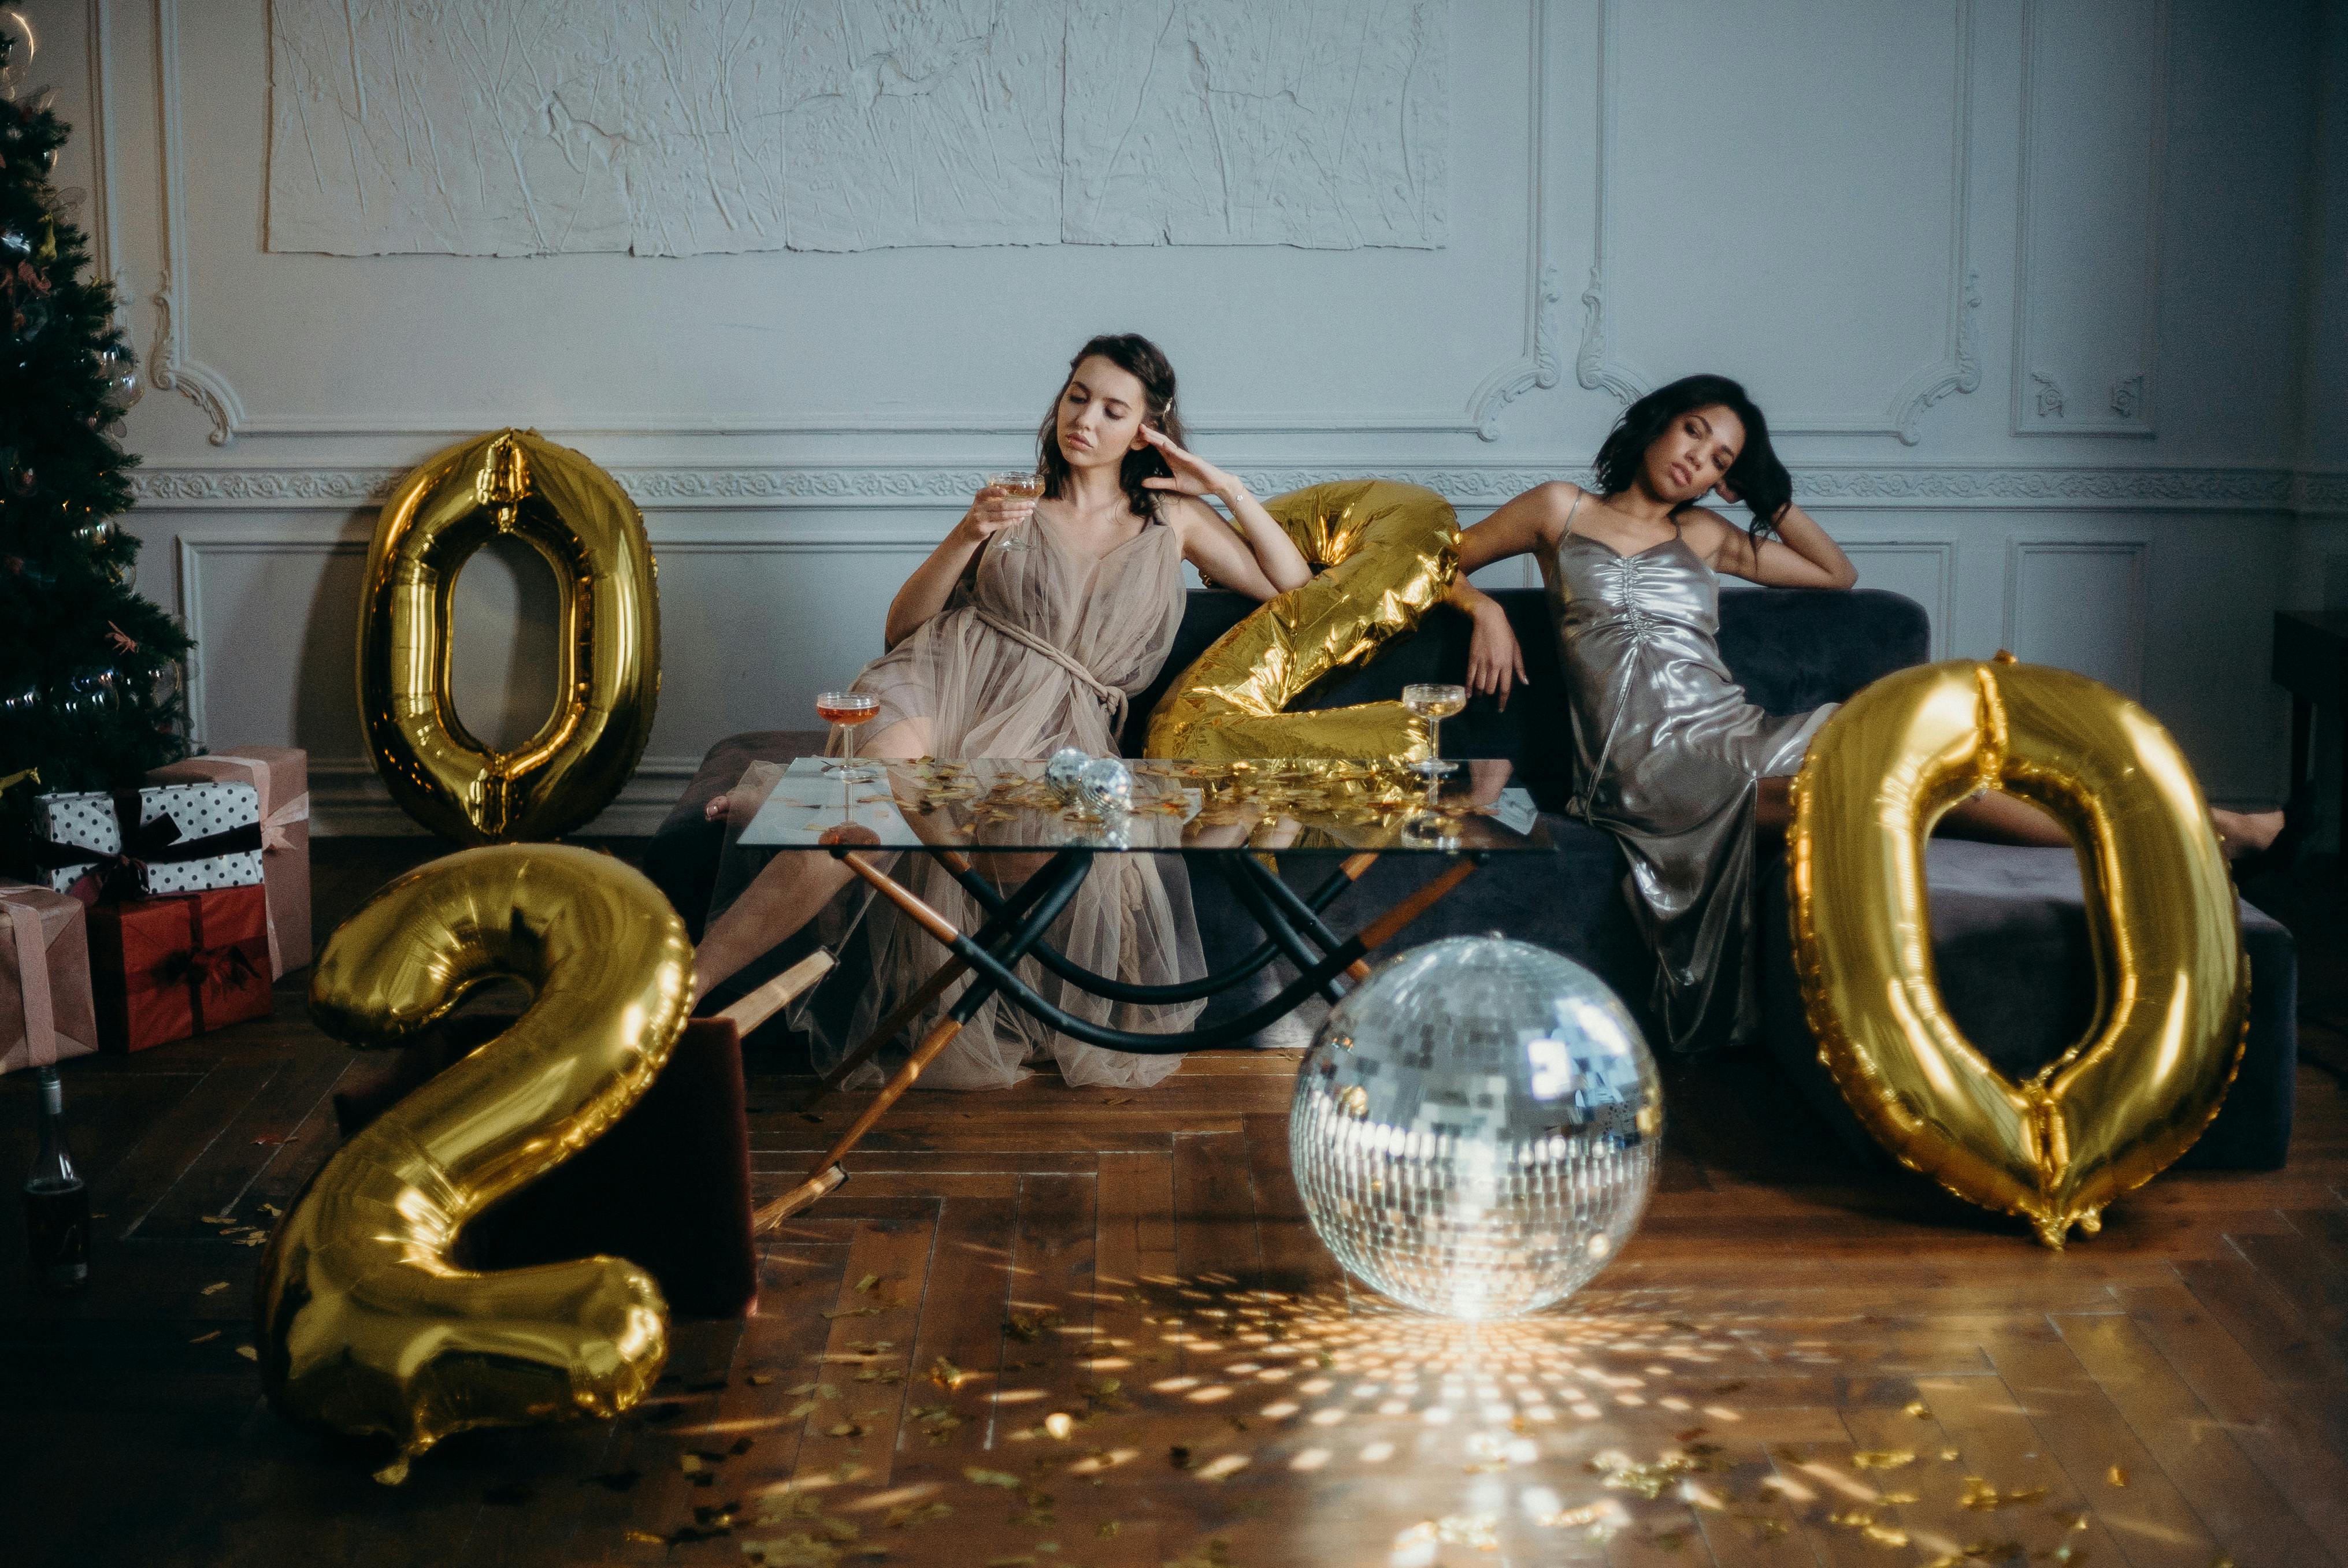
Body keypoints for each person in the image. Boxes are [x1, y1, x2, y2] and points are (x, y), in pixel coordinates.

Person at [1444, 373, 2284, 1053]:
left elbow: (1834, 574)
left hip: (1739, 729)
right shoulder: (1560, 510)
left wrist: (1770, 498)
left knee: (1922, 763)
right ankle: (2184, 832)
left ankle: (2192, 824)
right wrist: (1482, 607)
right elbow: (1432, 562)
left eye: (1722, 455)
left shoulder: (1701, 535)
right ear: (1660, 425)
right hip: (1647, 771)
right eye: (1695, 430)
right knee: (1862, 790)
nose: (1699, 458)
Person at [692, 332, 1313, 1089]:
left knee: (1010, 841)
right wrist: (966, 534)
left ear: (1146, 430)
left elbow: (1293, 591)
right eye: (1077, 394)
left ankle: (798, 801)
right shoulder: (1016, 503)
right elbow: (903, 630)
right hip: (942, 676)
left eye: (1112, 408)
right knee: (863, 809)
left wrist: (1220, 485)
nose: (1083, 417)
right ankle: (682, 997)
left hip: (1058, 727)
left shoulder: (1172, 522)